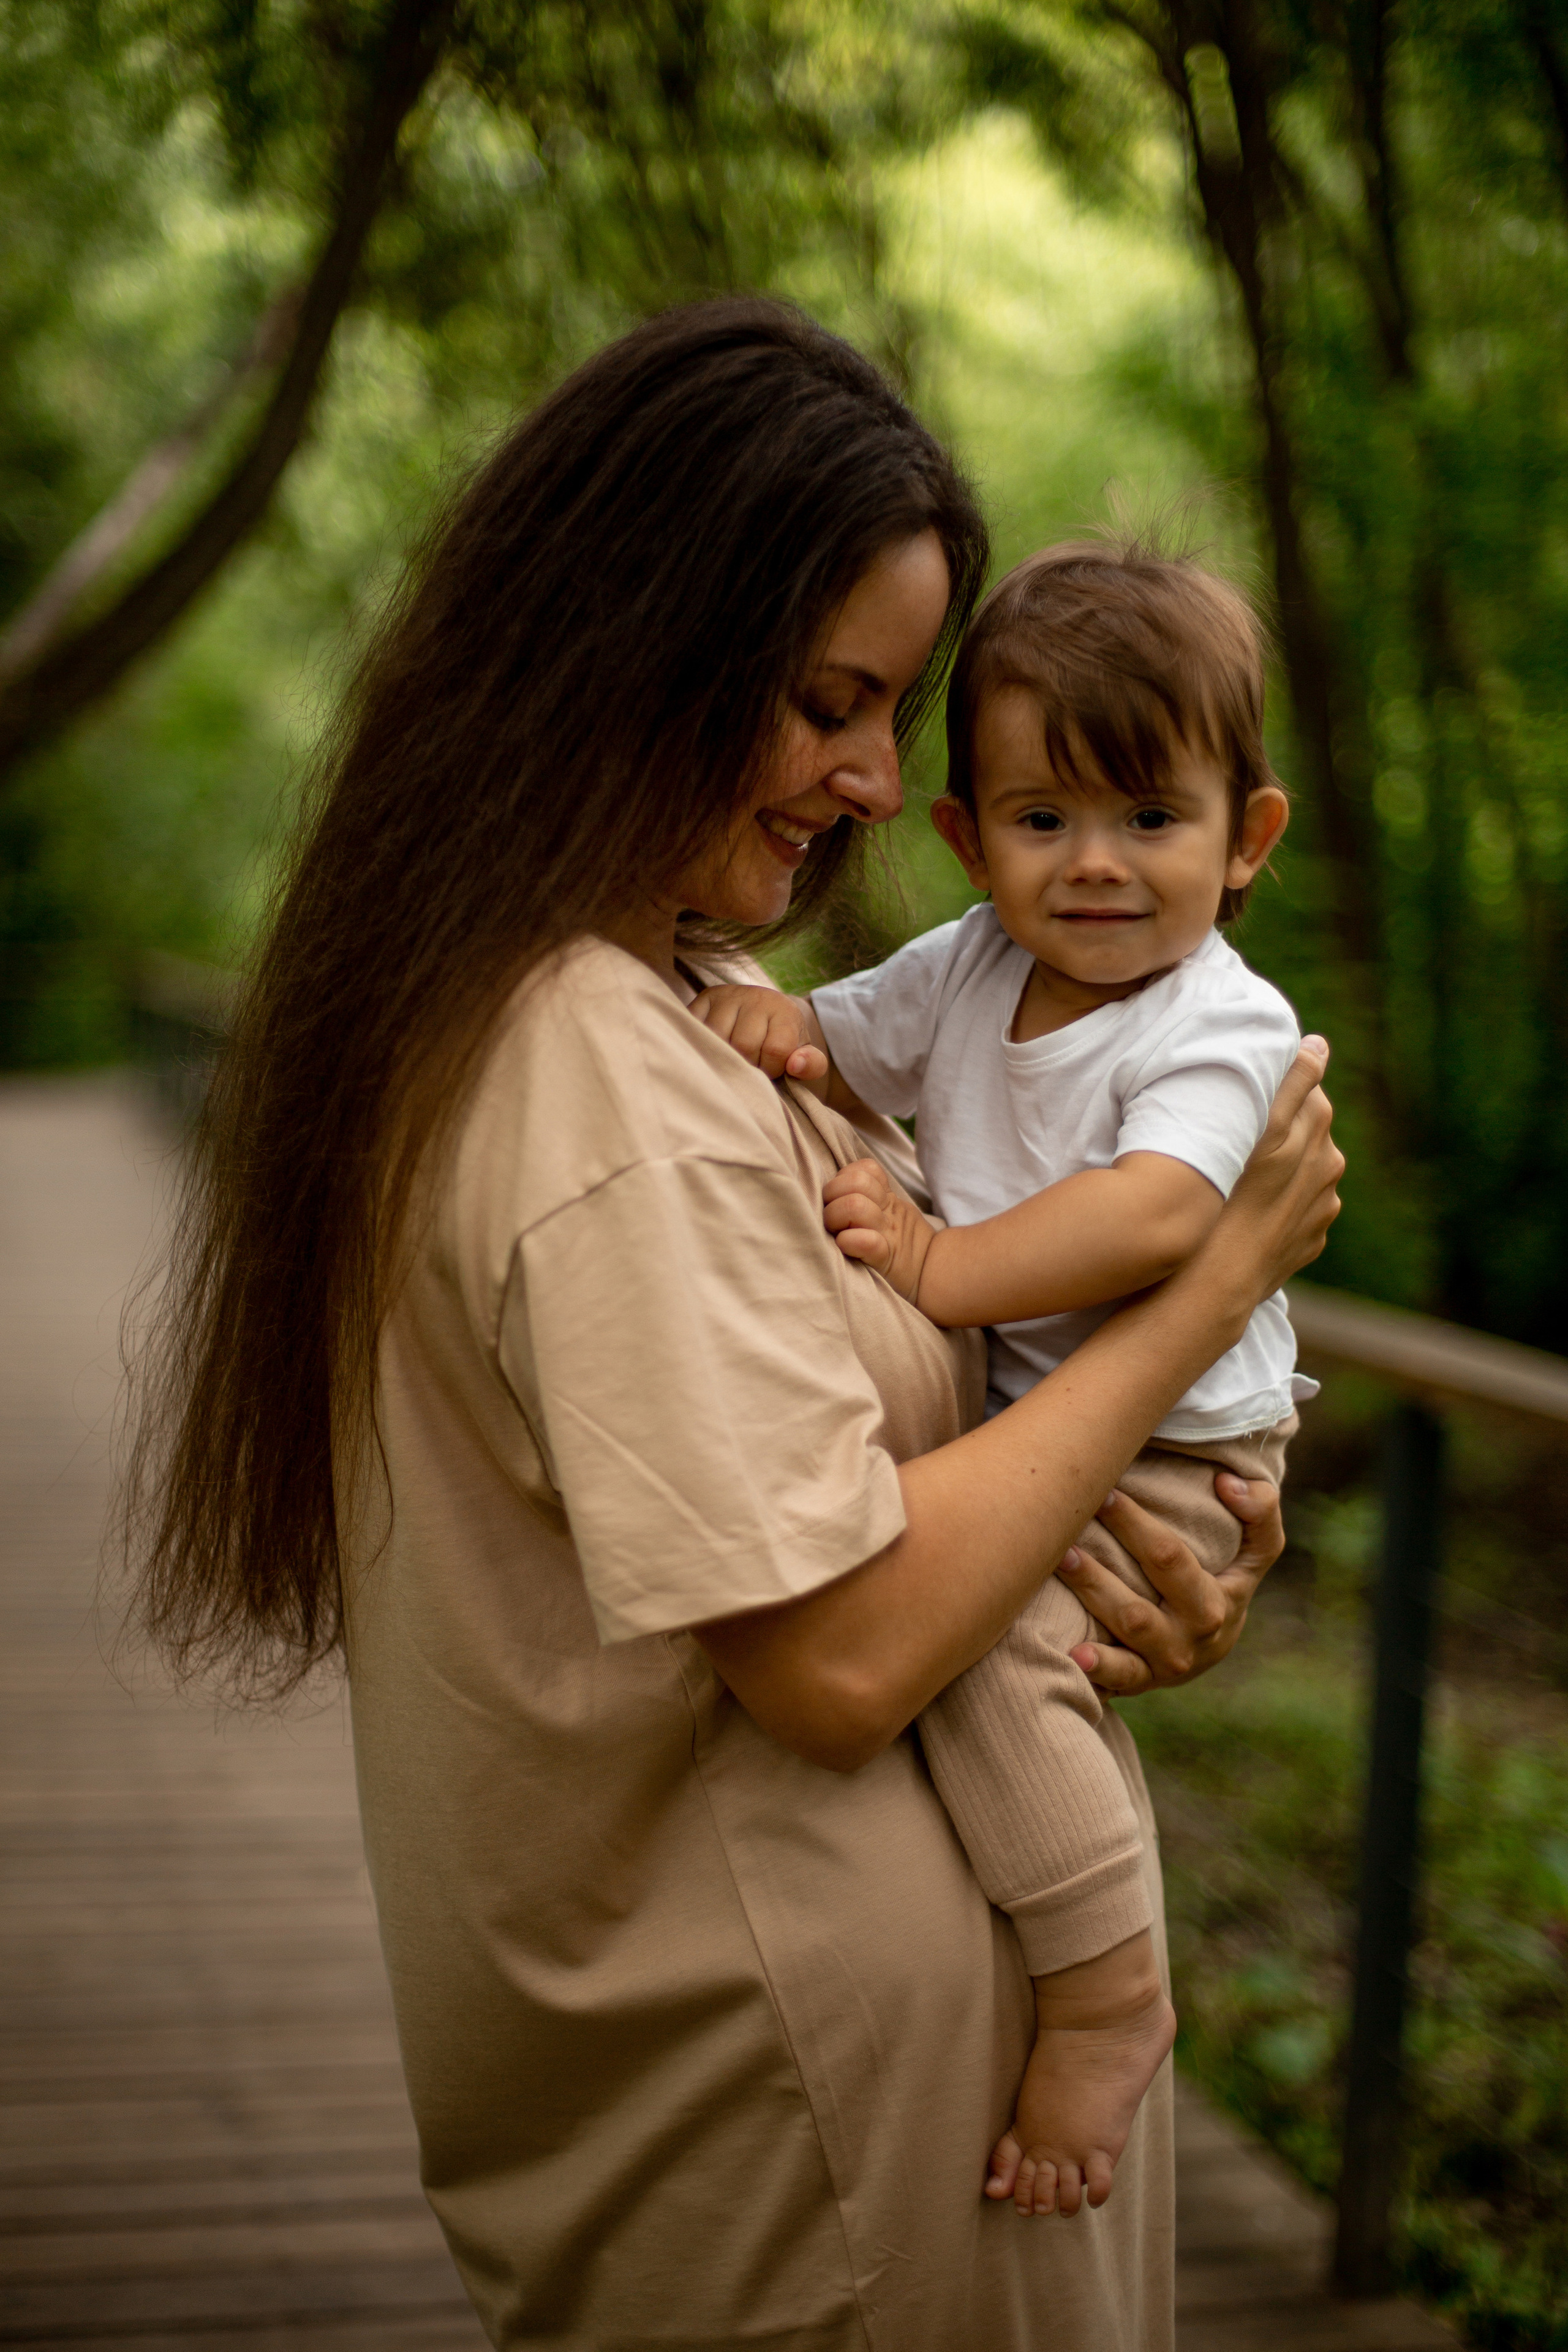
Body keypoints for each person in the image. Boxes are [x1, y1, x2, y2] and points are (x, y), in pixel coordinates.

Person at [123, 299, 1341, 2352]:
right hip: (833, 2158)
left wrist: (1124, 1549)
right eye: (824, 701)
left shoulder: (635, 993)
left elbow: (874, 1492)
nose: (879, 780)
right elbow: (845, 1649)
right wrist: (1203, 1297)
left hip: (834, 2103)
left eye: (894, 711)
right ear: (631, 655)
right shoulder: (594, 1079)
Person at [689, 539, 1321, 2222]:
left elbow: (1167, 1210)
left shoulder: (1216, 1020)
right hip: (1062, 1420)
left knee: (988, 1665)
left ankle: (1112, 1984)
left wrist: (942, 1264)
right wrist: (786, 1036)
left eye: (1151, 820)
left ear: (1246, 837)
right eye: (1045, 823)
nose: (1098, 867)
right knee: (981, 1635)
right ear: (972, 840)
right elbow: (848, 1032)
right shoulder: (970, 964)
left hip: (1182, 1439)